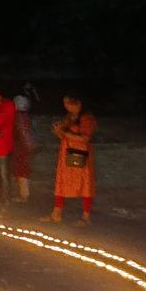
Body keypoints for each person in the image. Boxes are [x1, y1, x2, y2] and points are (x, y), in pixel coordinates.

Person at [44, 93, 97, 225]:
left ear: (78, 103)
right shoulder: (68, 117)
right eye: (65, 103)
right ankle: (56, 213)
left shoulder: (86, 118)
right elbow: (64, 136)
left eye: (68, 103)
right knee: (62, 181)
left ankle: (86, 216)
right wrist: (58, 131)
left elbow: (86, 138)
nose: (66, 106)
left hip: (81, 154)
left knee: (85, 184)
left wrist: (66, 133)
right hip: (66, 153)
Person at [11, 94, 35, 203]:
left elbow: (24, 133)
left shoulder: (19, 117)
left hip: (21, 148)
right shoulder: (26, 117)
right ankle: (24, 195)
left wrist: (28, 146)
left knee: (21, 172)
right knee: (22, 171)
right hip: (23, 148)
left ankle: (24, 196)